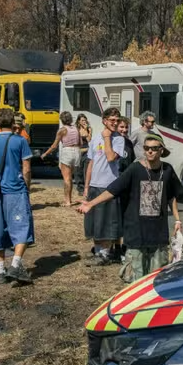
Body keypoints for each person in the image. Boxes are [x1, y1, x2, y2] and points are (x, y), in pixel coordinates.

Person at [77, 134, 183, 281]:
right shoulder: (135, 169)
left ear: (161, 150)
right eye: (147, 148)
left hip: (159, 235)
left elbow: (171, 196)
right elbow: (113, 189)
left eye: (154, 148)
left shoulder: (167, 170)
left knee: (157, 280)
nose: (150, 151)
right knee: (135, 280)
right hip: (136, 234)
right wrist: (90, 203)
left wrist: (177, 220)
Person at [0, 108, 34, 284]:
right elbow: (26, 168)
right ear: (13, 123)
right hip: (15, 190)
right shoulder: (20, 141)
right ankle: (15, 265)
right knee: (22, 229)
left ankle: (0, 271)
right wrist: (27, 187)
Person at [82, 107, 127, 265]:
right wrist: (86, 187)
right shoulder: (94, 139)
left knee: (107, 221)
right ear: (104, 120)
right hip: (95, 184)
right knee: (95, 221)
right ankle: (98, 251)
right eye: (112, 120)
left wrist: (107, 138)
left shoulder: (119, 139)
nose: (115, 123)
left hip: (109, 186)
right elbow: (91, 163)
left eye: (117, 120)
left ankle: (105, 254)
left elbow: (110, 157)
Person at [41, 111, 82, 206]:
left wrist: (45, 154)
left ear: (62, 120)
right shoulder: (76, 129)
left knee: (66, 178)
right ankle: (69, 199)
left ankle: (67, 201)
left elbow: (54, 145)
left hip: (67, 151)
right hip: (77, 152)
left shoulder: (62, 130)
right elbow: (80, 143)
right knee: (70, 178)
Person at [74, 114, 92, 196]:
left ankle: (86, 187)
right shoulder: (76, 129)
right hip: (78, 150)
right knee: (78, 169)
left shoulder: (89, 129)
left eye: (85, 120)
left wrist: (86, 130)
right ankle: (80, 187)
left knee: (86, 169)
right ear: (78, 121)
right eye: (82, 120)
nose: (84, 122)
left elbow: (89, 139)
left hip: (86, 150)